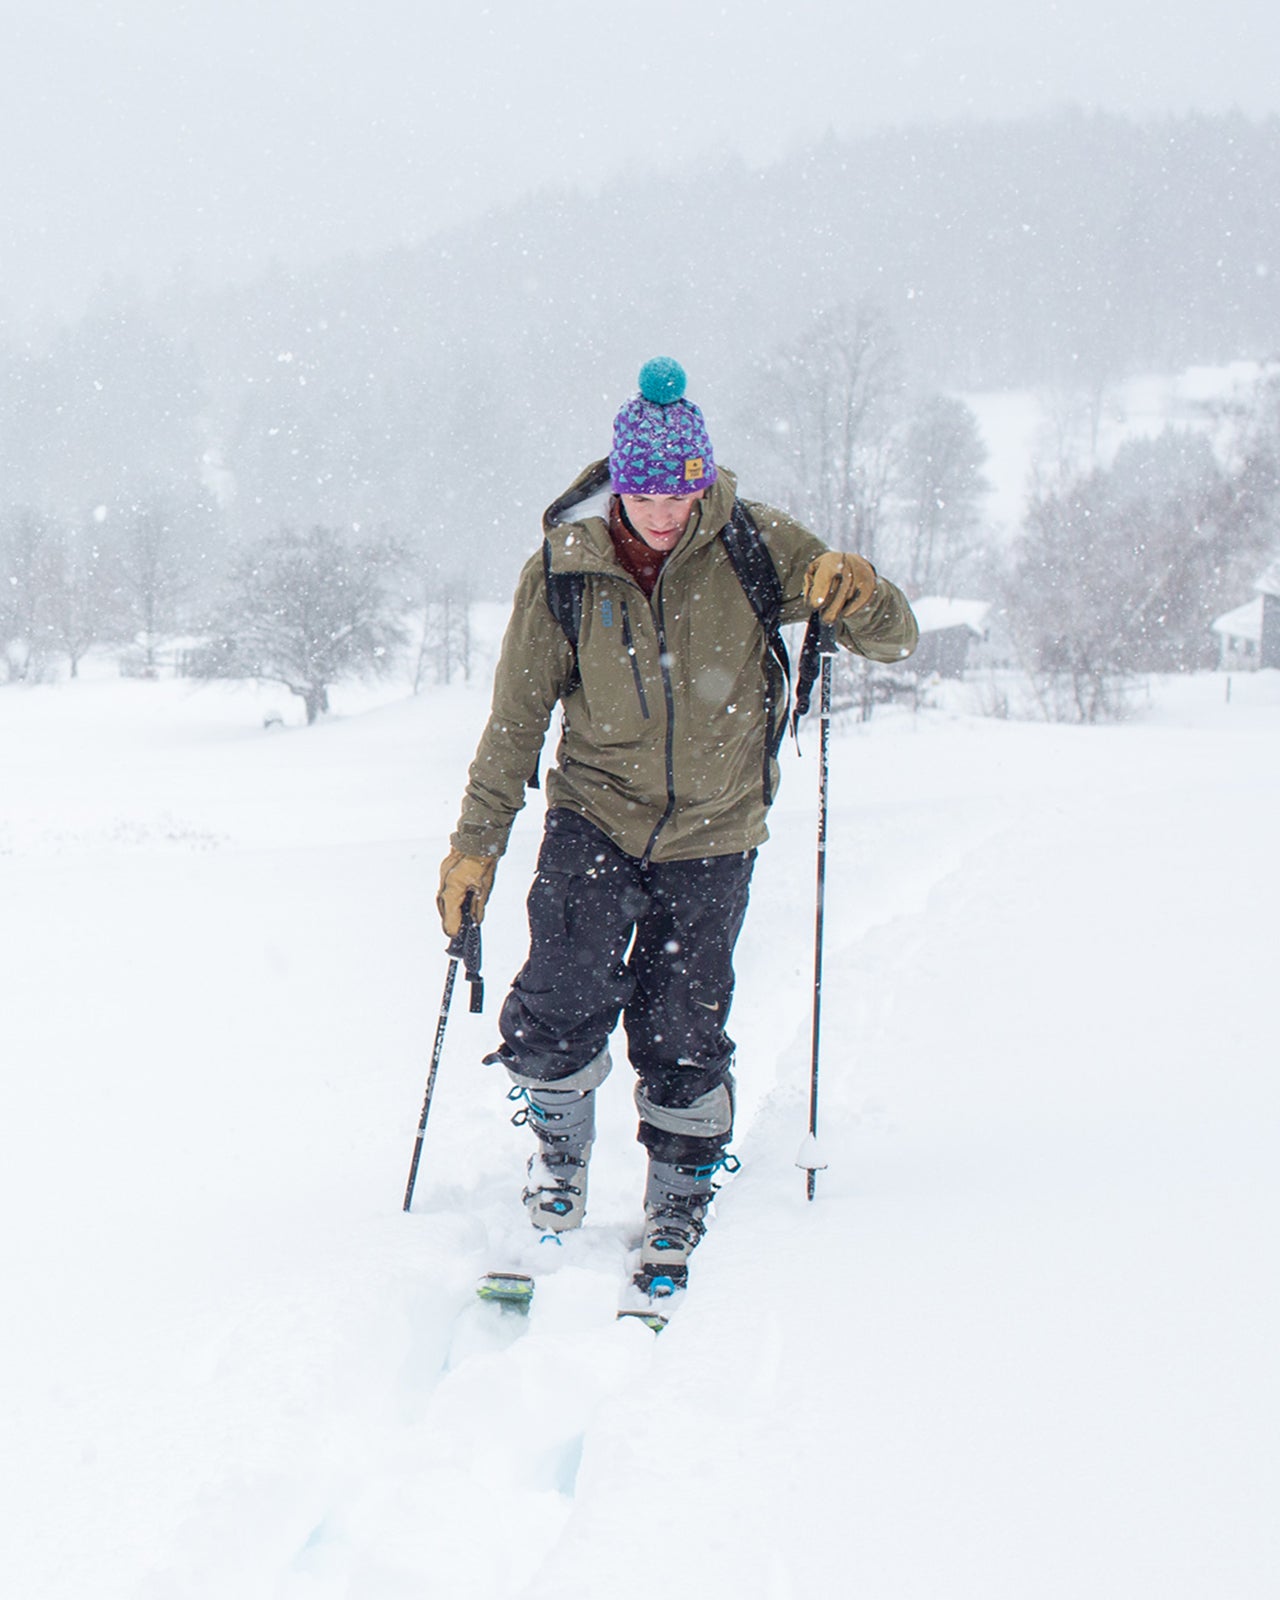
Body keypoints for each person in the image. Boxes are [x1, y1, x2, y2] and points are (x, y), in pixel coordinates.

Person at [438, 358, 918, 1293]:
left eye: (684, 490)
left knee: (684, 1023)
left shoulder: (754, 545)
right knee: (559, 997)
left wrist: (861, 590)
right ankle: (561, 1156)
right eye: (649, 492)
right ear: (622, 481)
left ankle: (681, 1186)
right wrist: (475, 846)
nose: (665, 513)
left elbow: (892, 637)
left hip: (716, 829)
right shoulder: (563, 572)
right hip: (595, 815)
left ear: (705, 478)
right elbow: (514, 722)